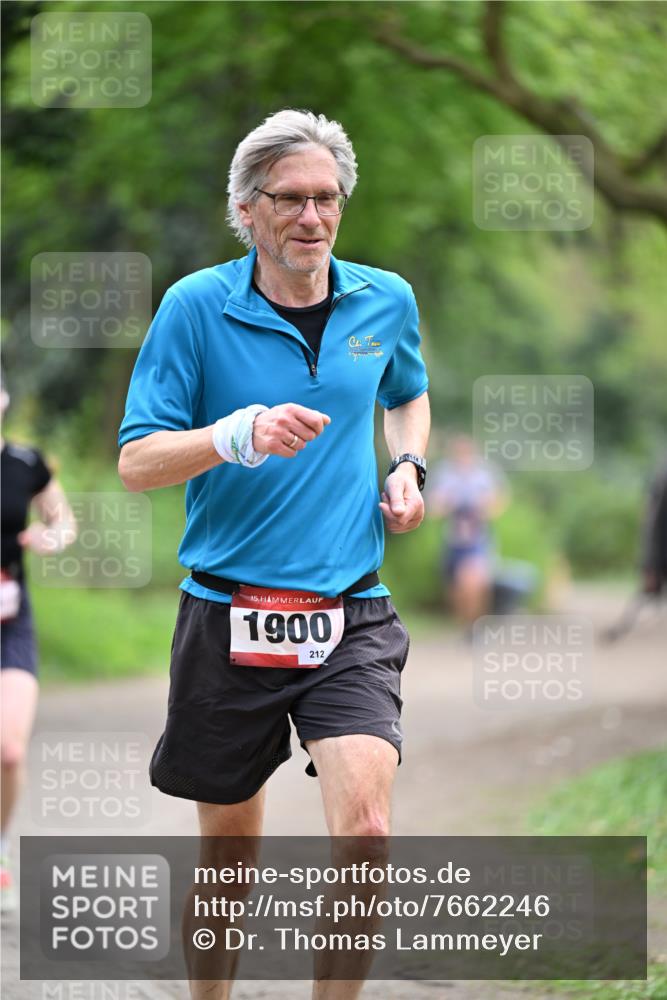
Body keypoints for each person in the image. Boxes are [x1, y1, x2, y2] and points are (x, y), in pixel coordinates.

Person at [118, 109, 429, 998]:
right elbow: (137, 462)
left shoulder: (384, 300)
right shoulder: (195, 309)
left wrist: (407, 464)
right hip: (228, 612)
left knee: (366, 833)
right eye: (289, 200)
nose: (312, 218)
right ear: (246, 212)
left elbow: (406, 395)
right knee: (229, 854)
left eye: (326, 199)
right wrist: (235, 433)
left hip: (350, 608)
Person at [0, 375, 77, 910]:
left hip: (11, 620)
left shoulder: (27, 463)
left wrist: (52, 535)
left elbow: (62, 518)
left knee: (8, 750)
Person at [429, 434, 508, 632]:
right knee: (456, 591)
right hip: (453, 540)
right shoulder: (444, 475)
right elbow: (434, 507)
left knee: (474, 583)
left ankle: (476, 625)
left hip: (478, 540)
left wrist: (484, 506)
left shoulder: (484, 476)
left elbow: (498, 503)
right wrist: (447, 503)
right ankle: (465, 624)